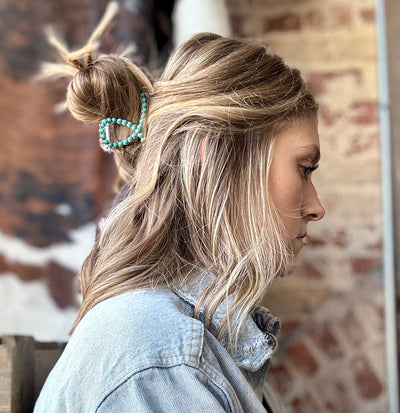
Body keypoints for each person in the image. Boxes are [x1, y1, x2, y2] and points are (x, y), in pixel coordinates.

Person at [34, 2, 325, 412]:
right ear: (213, 154)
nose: (316, 207)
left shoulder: (183, 345)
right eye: (304, 168)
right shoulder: (160, 363)